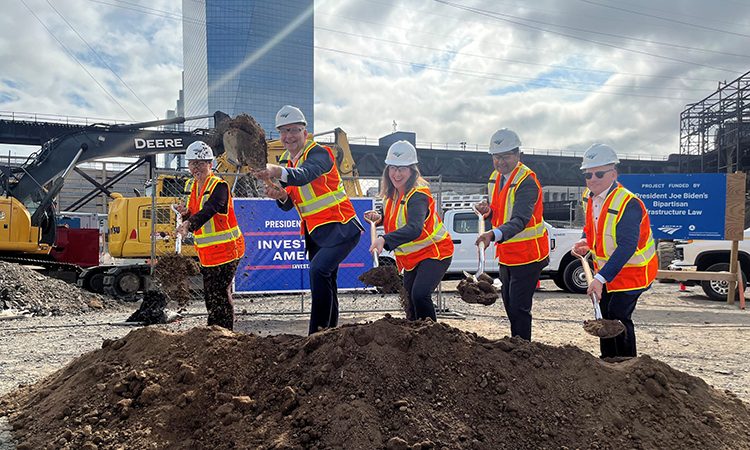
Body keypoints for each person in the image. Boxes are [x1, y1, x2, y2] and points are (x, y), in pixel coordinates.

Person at [253, 105, 363, 335]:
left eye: (293, 130)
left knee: (318, 271)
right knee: (327, 279)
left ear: (305, 132)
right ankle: (329, 334)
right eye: (283, 132)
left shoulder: (319, 153)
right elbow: (288, 204)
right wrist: (281, 195)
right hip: (318, 234)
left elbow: (304, 176)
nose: (288, 137)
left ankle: (317, 334)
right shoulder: (291, 163)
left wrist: (275, 170)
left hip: (341, 227)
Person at [572, 143, 657, 358]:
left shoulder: (629, 203)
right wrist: (585, 241)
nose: (592, 179)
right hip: (609, 271)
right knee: (605, 315)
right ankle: (608, 362)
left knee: (618, 316)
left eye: (599, 173)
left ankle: (627, 365)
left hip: (633, 272)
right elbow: (592, 227)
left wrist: (599, 279)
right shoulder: (589, 197)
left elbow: (628, 245)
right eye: (588, 174)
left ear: (613, 174)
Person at [365, 141, 454, 321]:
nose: (397, 174)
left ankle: (432, 336)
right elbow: (395, 215)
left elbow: (415, 228)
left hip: (434, 252)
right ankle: (414, 336)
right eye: (393, 168)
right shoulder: (393, 193)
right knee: (410, 300)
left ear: (412, 170)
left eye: (402, 169)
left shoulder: (417, 194)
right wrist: (379, 217)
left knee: (420, 295)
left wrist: (384, 239)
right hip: (412, 258)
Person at [474, 128, 549, 341]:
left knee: (519, 307)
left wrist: (492, 234)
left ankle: (522, 348)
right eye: (497, 157)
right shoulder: (496, 178)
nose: (501, 162)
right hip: (508, 253)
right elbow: (500, 212)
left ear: (517, 155)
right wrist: (488, 212)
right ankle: (518, 344)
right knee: (509, 304)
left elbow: (520, 220)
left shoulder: (527, 181)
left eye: (506, 156)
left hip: (528, 255)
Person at [176, 140, 245, 331]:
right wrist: (186, 214)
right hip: (209, 254)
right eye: (192, 163)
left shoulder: (219, 186)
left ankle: (223, 333)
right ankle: (214, 331)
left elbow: (210, 209)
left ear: (210, 164)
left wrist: (189, 224)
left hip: (228, 250)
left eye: (200, 163)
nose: (195, 167)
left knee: (220, 293)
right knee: (211, 293)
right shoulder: (194, 186)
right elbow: (197, 211)